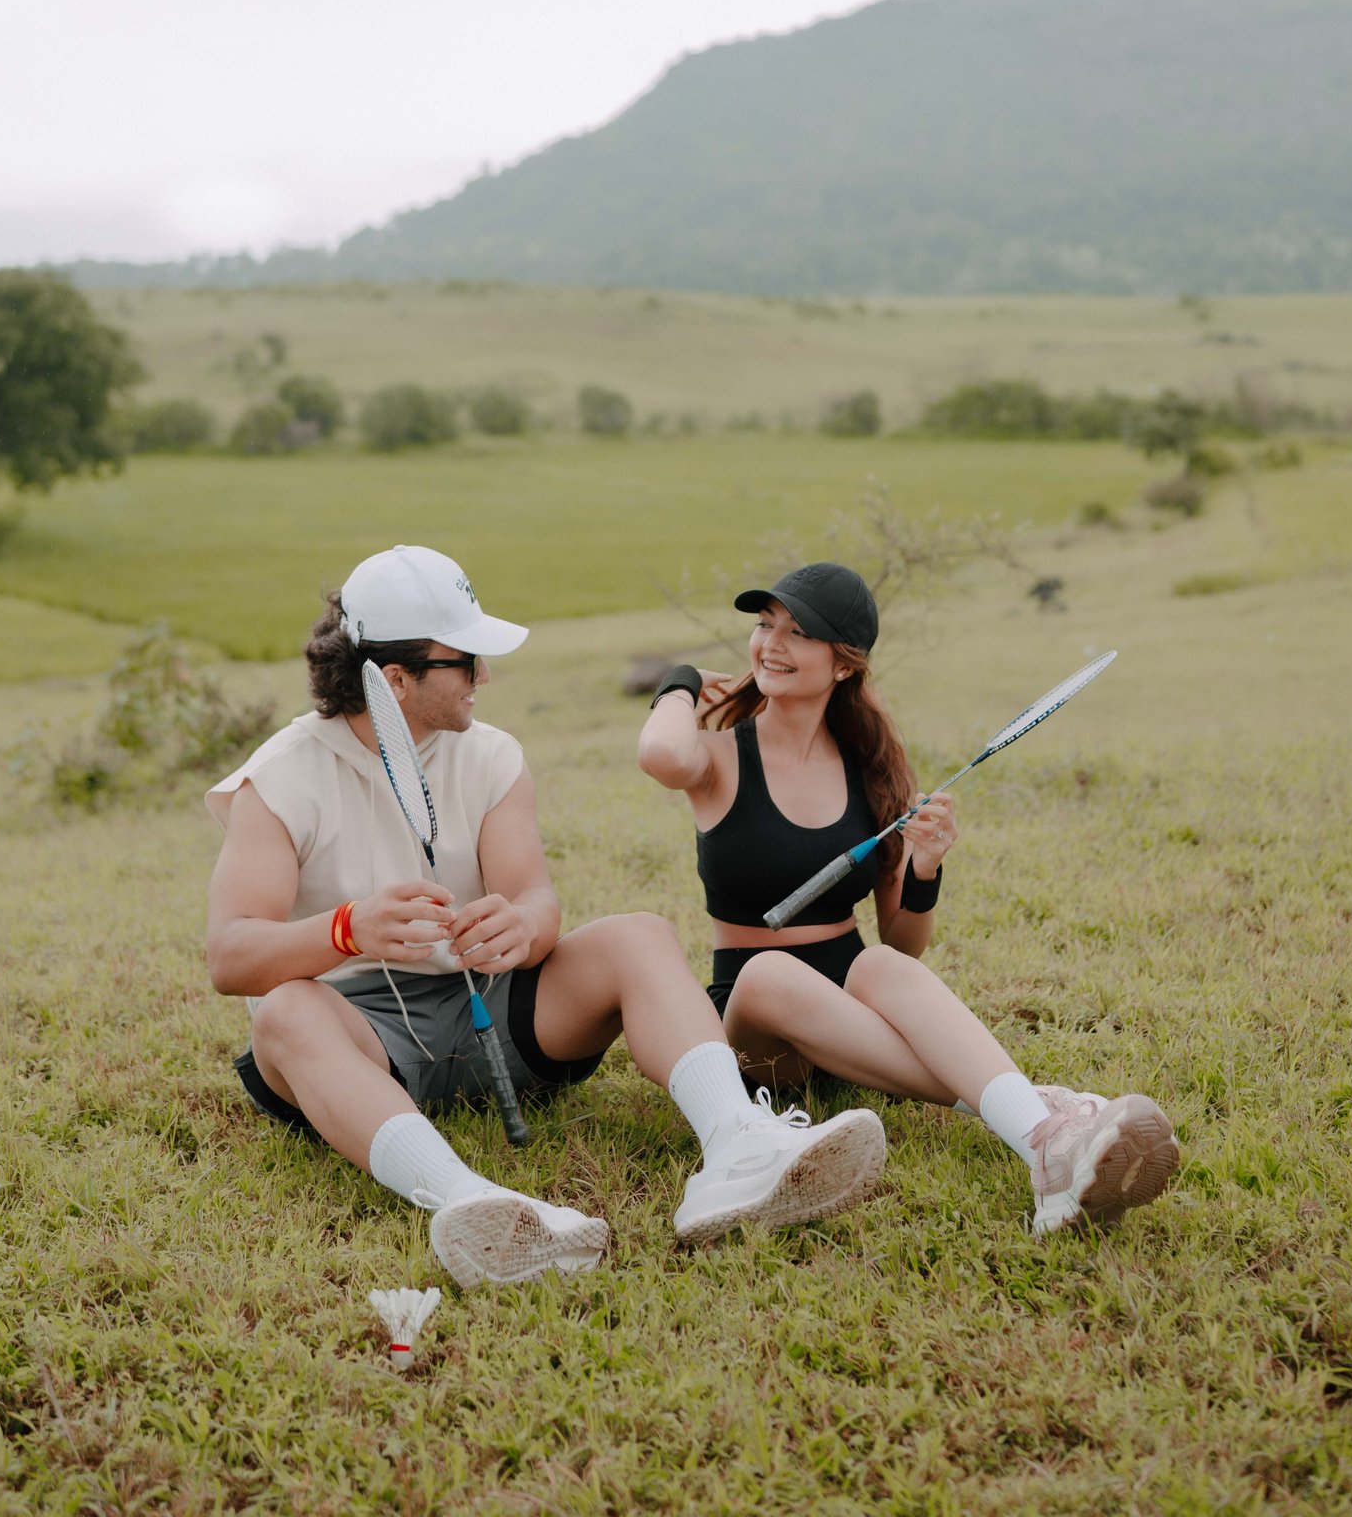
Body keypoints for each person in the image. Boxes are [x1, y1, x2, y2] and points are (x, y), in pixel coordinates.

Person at [205, 543, 887, 1288]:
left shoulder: (491, 755)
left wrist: (522, 928)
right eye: (466, 662)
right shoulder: (280, 777)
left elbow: (536, 902)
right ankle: (470, 1201)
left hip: (492, 1011)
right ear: (394, 678)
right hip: (357, 1040)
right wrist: (346, 929)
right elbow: (230, 956)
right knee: (285, 1012)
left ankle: (740, 1144)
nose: (485, 677)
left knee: (639, 935)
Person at [637, 561, 1180, 1235]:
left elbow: (901, 940)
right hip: (759, 1035)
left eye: (798, 633)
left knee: (880, 963)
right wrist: (681, 681)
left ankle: (1044, 1151)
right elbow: (660, 755)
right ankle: (1041, 1108)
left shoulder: (873, 772)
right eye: (765, 625)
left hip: (854, 1022)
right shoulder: (719, 757)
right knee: (771, 972)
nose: (771, 644)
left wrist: (925, 867)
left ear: (844, 664)